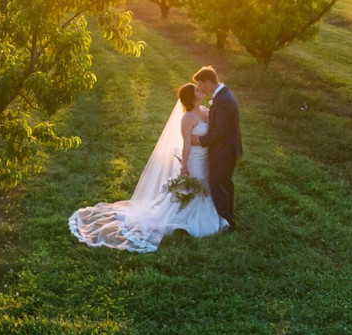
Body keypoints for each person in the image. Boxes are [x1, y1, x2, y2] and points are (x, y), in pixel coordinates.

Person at [68, 82, 229, 253]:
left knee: (204, 186)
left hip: (206, 159)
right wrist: (184, 165)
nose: (200, 90)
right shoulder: (187, 118)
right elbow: (186, 144)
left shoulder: (204, 111)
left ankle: (200, 212)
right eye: (197, 90)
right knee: (194, 188)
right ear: (192, 97)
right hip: (194, 159)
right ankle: (177, 217)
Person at [190, 65, 242, 231]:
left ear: (207, 82)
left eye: (199, 85)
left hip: (224, 151)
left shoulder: (223, 101)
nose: (199, 88)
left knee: (220, 185)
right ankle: (227, 218)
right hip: (227, 149)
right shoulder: (222, 95)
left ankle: (226, 223)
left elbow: (219, 132)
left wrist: (199, 140)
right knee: (225, 184)